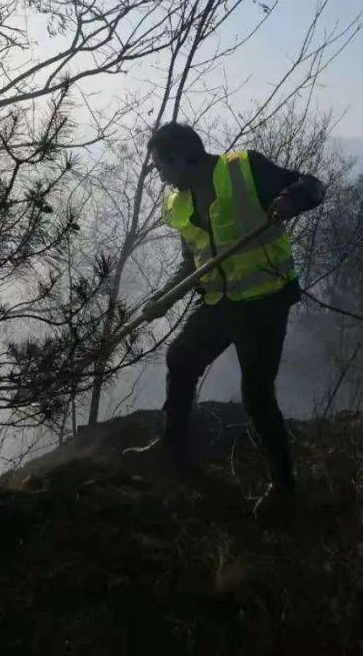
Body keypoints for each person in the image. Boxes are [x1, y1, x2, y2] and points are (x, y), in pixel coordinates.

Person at [127, 122, 325, 520]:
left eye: (160, 165)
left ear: (182, 157)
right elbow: (193, 262)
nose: (159, 175)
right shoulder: (179, 203)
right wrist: (164, 297)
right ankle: (173, 445)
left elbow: (313, 186)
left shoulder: (244, 169)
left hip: (265, 301)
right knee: (182, 357)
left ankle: (285, 487)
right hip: (220, 303)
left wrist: (290, 199)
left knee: (256, 394)